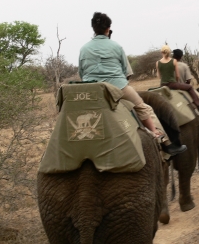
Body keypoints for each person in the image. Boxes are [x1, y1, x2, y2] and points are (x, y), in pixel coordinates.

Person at [79, 12, 187, 156]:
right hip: (118, 87)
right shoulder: (116, 46)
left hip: (92, 91)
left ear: (93, 29)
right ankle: (163, 141)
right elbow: (127, 72)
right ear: (108, 29)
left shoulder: (84, 49)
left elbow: (82, 73)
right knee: (143, 108)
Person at [157, 46, 199, 129]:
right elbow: (187, 79)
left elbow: (159, 76)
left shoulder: (159, 63)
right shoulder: (182, 65)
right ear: (181, 57)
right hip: (178, 86)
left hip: (164, 86)